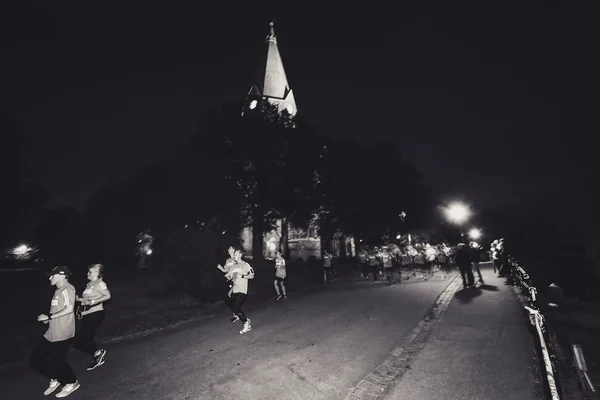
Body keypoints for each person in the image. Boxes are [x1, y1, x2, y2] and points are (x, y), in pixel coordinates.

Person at [30, 266, 80, 398]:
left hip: (62, 333)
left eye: (53, 275)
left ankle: (71, 382)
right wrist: (48, 320)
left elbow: (69, 309)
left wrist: (49, 317)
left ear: (62, 276)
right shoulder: (58, 291)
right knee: (35, 359)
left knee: (58, 361)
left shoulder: (68, 289)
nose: (50, 277)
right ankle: (55, 377)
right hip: (52, 331)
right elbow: (59, 310)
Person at [74, 264, 111, 371]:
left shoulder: (100, 283)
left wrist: (93, 301)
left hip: (96, 313)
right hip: (87, 314)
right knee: (83, 339)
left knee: (82, 338)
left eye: (90, 272)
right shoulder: (89, 284)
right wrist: (78, 299)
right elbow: (88, 299)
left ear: (96, 273)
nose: (87, 274)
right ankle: (98, 355)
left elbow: (107, 296)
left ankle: (98, 353)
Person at [225, 250, 255, 334]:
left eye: (236, 254)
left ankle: (246, 324)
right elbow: (230, 277)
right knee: (234, 307)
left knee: (236, 307)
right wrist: (227, 277)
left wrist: (242, 276)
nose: (234, 256)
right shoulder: (233, 266)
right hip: (235, 290)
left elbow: (252, 276)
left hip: (242, 290)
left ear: (240, 255)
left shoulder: (245, 265)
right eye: (234, 254)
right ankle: (246, 320)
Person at [217, 246, 239, 322]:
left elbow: (237, 270)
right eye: (228, 249)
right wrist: (220, 268)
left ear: (233, 250)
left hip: (235, 279)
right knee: (227, 297)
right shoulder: (228, 260)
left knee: (232, 295)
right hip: (228, 280)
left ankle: (236, 314)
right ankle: (236, 312)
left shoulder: (236, 259)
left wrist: (233, 277)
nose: (228, 250)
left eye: (230, 249)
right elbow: (225, 270)